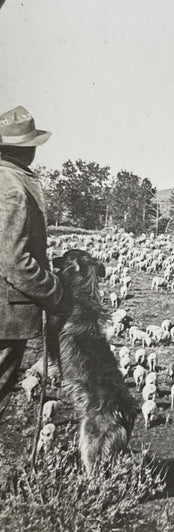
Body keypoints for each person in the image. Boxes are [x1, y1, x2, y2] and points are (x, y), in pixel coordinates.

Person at [0, 105, 63, 418]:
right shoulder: (11, 185)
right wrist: (52, 291)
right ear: (29, 150)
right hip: (6, 315)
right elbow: (13, 258)